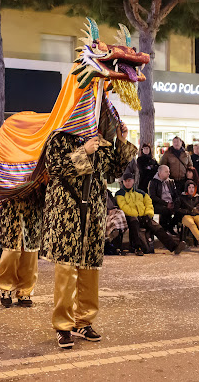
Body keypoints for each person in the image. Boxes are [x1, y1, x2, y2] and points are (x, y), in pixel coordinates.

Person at [42, 123, 136, 349]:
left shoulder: (101, 141)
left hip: (94, 212)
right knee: (66, 269)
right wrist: (83, 152)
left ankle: (83, 321)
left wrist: (121, 143)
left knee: (90, 268)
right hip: (67, 211)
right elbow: (53, 167)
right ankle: (63, 325)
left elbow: (113, 172)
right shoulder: (59, 137)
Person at [0, 186, 44, 308]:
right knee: (10, 252)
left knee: (30, 254)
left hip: (32, 206)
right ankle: (6, 289)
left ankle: (25, 291)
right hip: (10, 206)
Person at [116, 173, 187, 256]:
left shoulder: (141, 192)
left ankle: (174, 246)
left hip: (143, 216)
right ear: (123, 182)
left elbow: (149, 203)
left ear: (133, 181)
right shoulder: (120, 194)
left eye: (129, 180)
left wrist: (148, 214)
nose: (128, 183)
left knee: (156, 226)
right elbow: (123, 207)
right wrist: (138, 215)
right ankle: (138, 248)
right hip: (130, 217)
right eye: (126, 181)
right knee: (134, 222)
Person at [177, 180, 199, 251]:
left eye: (193, 187)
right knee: (191, 223)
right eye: (189, 187)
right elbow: (177, 209)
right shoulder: (182, 197)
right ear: (186, 188)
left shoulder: (198, 198)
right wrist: (188, 211)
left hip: (196, 215)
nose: (191, 189)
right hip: (186, 216)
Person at [149, 165, 178, 234]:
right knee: (166, 210)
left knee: (179, 210)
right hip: (159, 203)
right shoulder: (153, 182)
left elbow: (175, 194)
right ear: (160, 173)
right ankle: (163, 230)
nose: (169, 173)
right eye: (166, 172)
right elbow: (153, 196)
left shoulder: (170, 181)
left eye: (169, 171)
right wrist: (166, 203)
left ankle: (170, 226)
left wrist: (175, 202)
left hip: (170, 202)